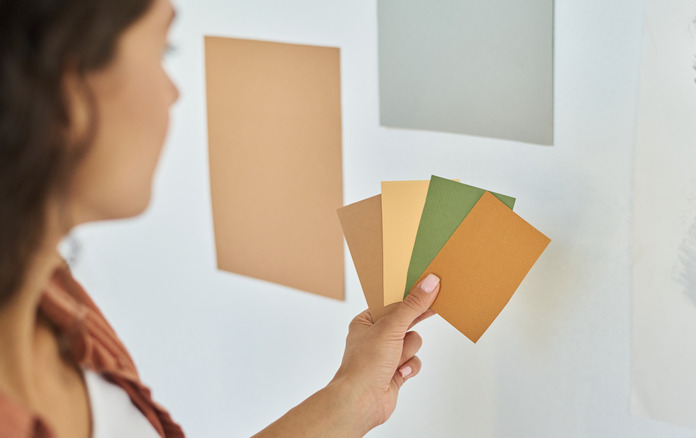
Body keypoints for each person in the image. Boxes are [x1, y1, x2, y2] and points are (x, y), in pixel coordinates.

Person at [0, 0, 441, 436]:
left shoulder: (54, 298)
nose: (174, 92)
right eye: (163, 50)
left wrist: (354, 397)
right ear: (69, 86)